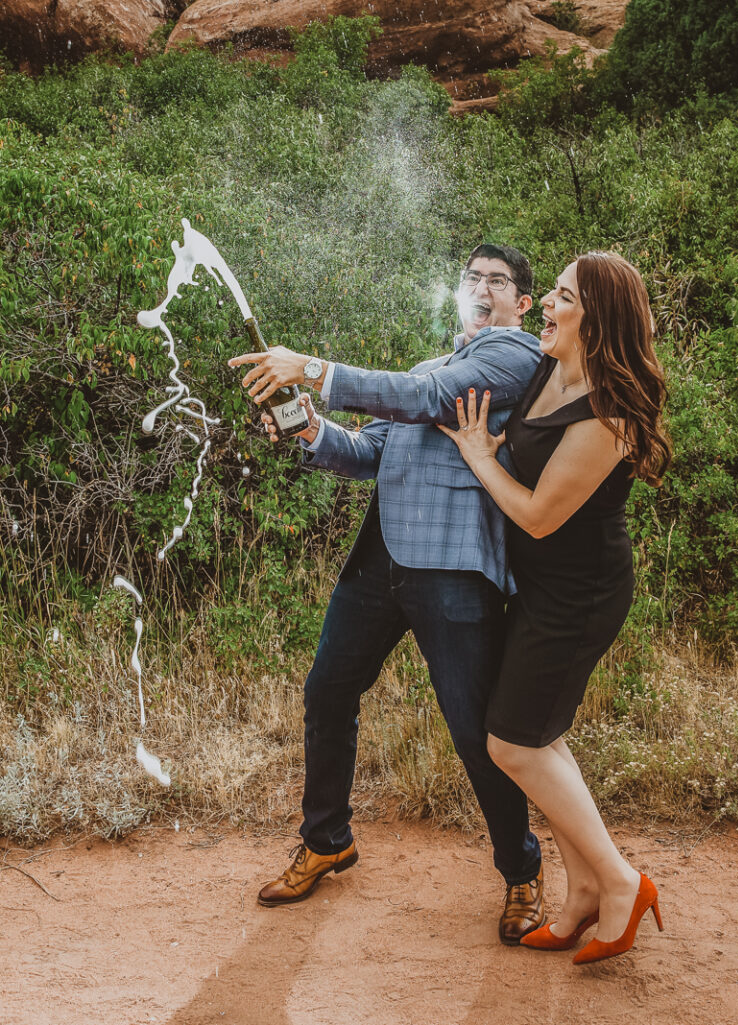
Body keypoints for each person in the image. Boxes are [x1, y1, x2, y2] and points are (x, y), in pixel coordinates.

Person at [226, 244, 548, 943]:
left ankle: (522, 869)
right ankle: (327, 839)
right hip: (380, 559)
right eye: (472, 278)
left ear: (523, 303)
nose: (481, 288)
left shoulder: (515, 358)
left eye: (497, 281)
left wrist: (315, 368)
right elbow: (372, 450)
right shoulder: (426, 367)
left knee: (474, 730)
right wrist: (309, 428)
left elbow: (427, 402)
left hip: (455, 567)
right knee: (328, 689)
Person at [436, 250, 672, 963]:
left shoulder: (610, 415)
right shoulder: (549, 365)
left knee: (511, 742)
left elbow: (538, 516)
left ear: (594, 318)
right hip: (539, 587)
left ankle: (623, 880)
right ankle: (582, 894)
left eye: (562, 297)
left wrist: (480, 460)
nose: (546, 305)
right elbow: (523, 450)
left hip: (580, 596)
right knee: (543, 739)